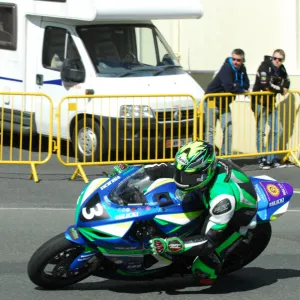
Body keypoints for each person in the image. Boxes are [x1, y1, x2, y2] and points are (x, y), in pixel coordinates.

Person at [110, 140, 258, 285]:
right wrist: (131, 173)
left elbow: (209, 241)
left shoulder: (222, 200)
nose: (182, 179)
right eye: (181, 173)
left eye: (189, 176)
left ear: (206, 171)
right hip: (205, 197)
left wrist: (173, 245)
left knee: (203, 271)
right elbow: (161, 169)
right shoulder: (193, 167)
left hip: (236, 218)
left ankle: (212, 268)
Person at [204, 49, 250, 156]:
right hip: (212, 101)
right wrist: (238, 87)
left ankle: (226, 157)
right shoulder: (227, 67)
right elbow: (229, 87)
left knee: (229, 129)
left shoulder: (242, 69)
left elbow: (246, 84)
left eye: (238, 60)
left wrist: (236, 86)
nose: (235, 62)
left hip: (224, 104)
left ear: (243, 60)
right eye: (234, 59)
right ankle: (209, 157)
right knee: (210, 131)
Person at [252, 49, 290, 169]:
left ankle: (271, 158)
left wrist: (284, 87)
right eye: (275, 58)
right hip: (259, 102)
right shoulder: (265, 66)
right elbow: (265, 84)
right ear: (272, 57)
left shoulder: (282, 68)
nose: (277, 61)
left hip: (270, 103)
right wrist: (280, 89)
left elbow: (287, 81)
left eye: (280, 59)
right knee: (261, 131)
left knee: (278, 130)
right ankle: (262, 158)